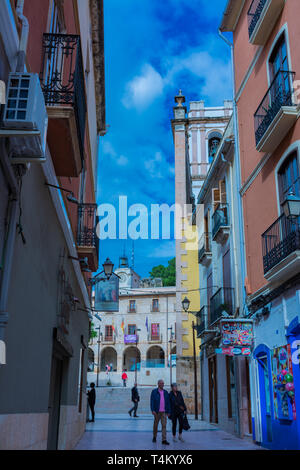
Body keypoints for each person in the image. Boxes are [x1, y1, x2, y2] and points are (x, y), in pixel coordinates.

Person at [150, 379, 171, 445]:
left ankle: (164, 440)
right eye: (161, 383)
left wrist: (168, 411)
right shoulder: (154, 392)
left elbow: (168, 402)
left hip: (164, 412)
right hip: (157, 412)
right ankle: (154, 436)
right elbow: (152, 401)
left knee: (164, 426)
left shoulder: (165, 392)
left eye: (163, 383)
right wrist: (153, 410)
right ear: (158, 384)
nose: (162, 384)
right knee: (155, 425)